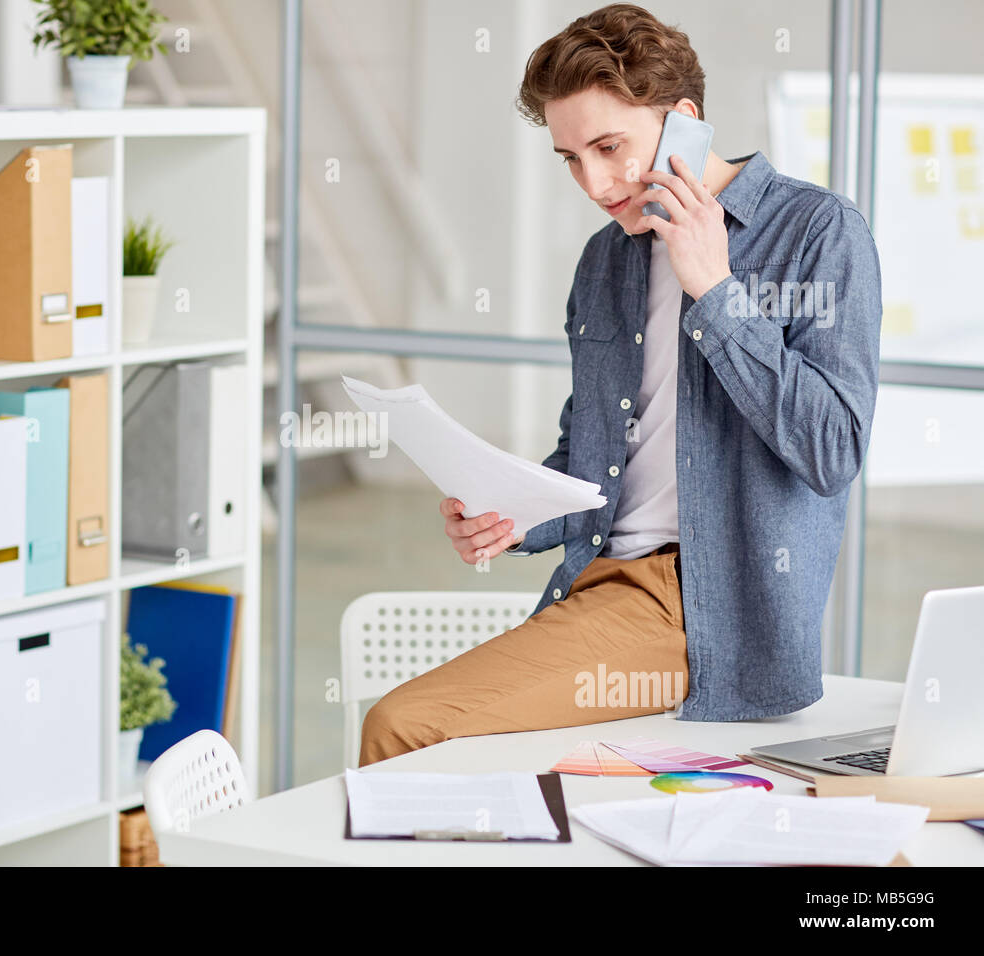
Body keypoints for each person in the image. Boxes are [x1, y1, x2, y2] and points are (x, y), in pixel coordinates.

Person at [359, 2, 882, 767]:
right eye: (571, 157)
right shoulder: (606, 261)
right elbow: (590, 460)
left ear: (684, 122)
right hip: (595, 582)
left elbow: (833, 451)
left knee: (404, 724)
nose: (595, 182)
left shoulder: (818, 231)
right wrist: (514, 517)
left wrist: (715, 293)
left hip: (693, 603)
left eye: (610, 147)